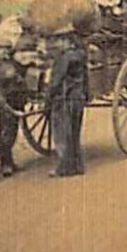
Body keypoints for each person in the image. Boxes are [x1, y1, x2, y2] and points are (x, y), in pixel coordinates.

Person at [45, 27, 89, 178]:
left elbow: (56, 81)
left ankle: (64, 168)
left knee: (64, 134)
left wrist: (48, 98)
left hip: (66, 99)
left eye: (60, 40)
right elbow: (87, 78)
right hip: (78, 99)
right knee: (75, 133)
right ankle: (78, 166)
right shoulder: (81, 55)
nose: (58, 44)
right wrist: (86, 95)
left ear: (67, 41)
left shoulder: (64, 58)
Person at [0, 47, 28, 177]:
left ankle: (8, 162)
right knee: (6, 133)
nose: (3, 51)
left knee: (11, 132)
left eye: (5, 49)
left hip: (16, 101)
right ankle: (5, 164)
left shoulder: (14, 64)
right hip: (6, 102)